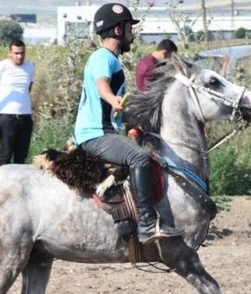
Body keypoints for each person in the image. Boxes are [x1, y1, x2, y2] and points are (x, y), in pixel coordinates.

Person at [73, 3, 183, 245]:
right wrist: (114, 99)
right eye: (129, 28)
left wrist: (131, 121)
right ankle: (146, 225)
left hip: (103, 130)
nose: (133, 33)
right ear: (118, 31)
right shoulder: (103, 57)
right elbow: (102, 85)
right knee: (139, 158)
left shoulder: (110, 59)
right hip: (95, 134)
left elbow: (112, 108)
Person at [0, 39, 35, 166]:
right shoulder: (1, 67)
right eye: (16, 53)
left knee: (22, 155)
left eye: (22, 53)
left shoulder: (29, 67)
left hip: (25, 116)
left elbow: (28, 88)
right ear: (10, 53)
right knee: (6, 155)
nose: (20, 56)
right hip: (7, 117)